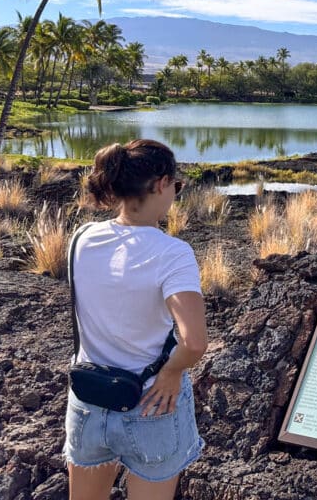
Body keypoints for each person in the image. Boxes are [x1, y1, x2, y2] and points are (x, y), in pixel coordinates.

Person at [64, 139, 207, 500]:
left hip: (88, 398)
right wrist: (172, 373)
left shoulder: (82, 238)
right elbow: (194, 343)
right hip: (151, 404)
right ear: (161, 184)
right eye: (177, 185)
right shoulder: (173, 254)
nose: (176, 192)